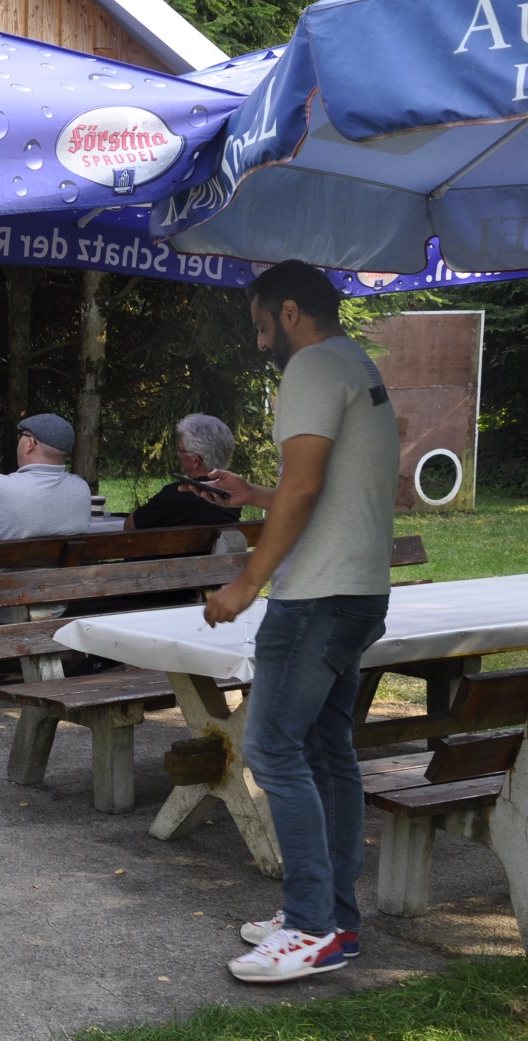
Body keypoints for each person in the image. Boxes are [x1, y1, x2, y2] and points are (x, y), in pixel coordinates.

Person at [198, 260, 399, 984]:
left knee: (274, 750)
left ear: (289, 312)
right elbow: (323, 486)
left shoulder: (311, 365)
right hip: (357, 592)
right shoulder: (355, 362)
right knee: (324, 751)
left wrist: (246, 583)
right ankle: (335, 919)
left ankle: (312, 927)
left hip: (314, 599)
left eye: (261, 327)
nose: (260, 344)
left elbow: (307, 486)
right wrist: (255, 492)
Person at [0, 413, 90, 541]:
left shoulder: (0, 488)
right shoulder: (82, 489)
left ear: (30, 444)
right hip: (62, 565)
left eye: (21, 436)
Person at [125, 413, 242, 530]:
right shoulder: (232, 495)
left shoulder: (175, 494)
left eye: (181, 451)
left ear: (195, 460)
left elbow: (130, 527)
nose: (179, 455)